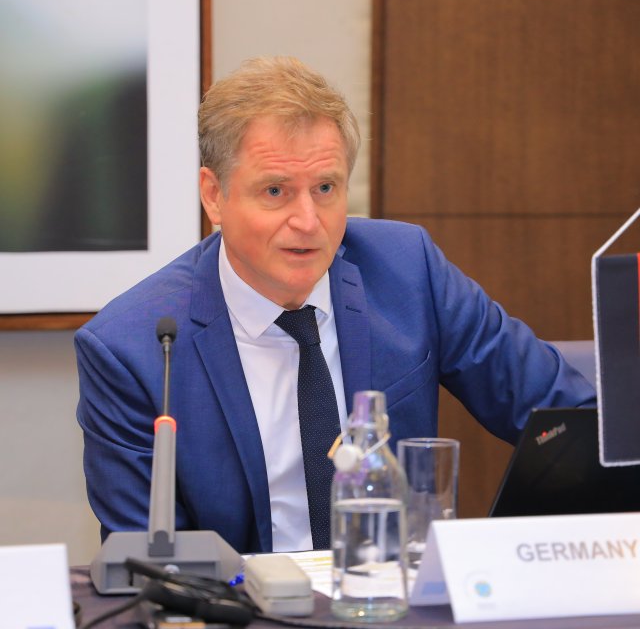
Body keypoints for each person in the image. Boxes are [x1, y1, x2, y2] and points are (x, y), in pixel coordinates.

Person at [75, 56, 595, 555]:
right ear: (214, 195)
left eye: (325, 188)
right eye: (275, 191)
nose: (308, 221)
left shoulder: (408, 271)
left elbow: (571, 421)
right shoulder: (132, 349)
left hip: (392, 595)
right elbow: (148, 561)